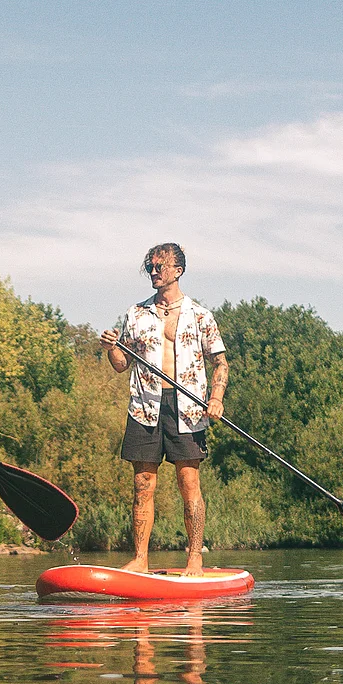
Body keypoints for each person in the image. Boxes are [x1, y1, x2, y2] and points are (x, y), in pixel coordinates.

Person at [99, 242, 227, 574]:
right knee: (143, 482)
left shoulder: (201, 316)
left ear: (178, 271)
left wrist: (216, 398)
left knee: (189, 481)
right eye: (151, 267)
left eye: (160, 267)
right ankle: (140, 558)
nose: (154, 272)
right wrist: (110, 348)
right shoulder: (136, 313)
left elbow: (220, 363)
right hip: (145, 405)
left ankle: (194, 557)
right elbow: (120, 364)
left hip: (187, 406)